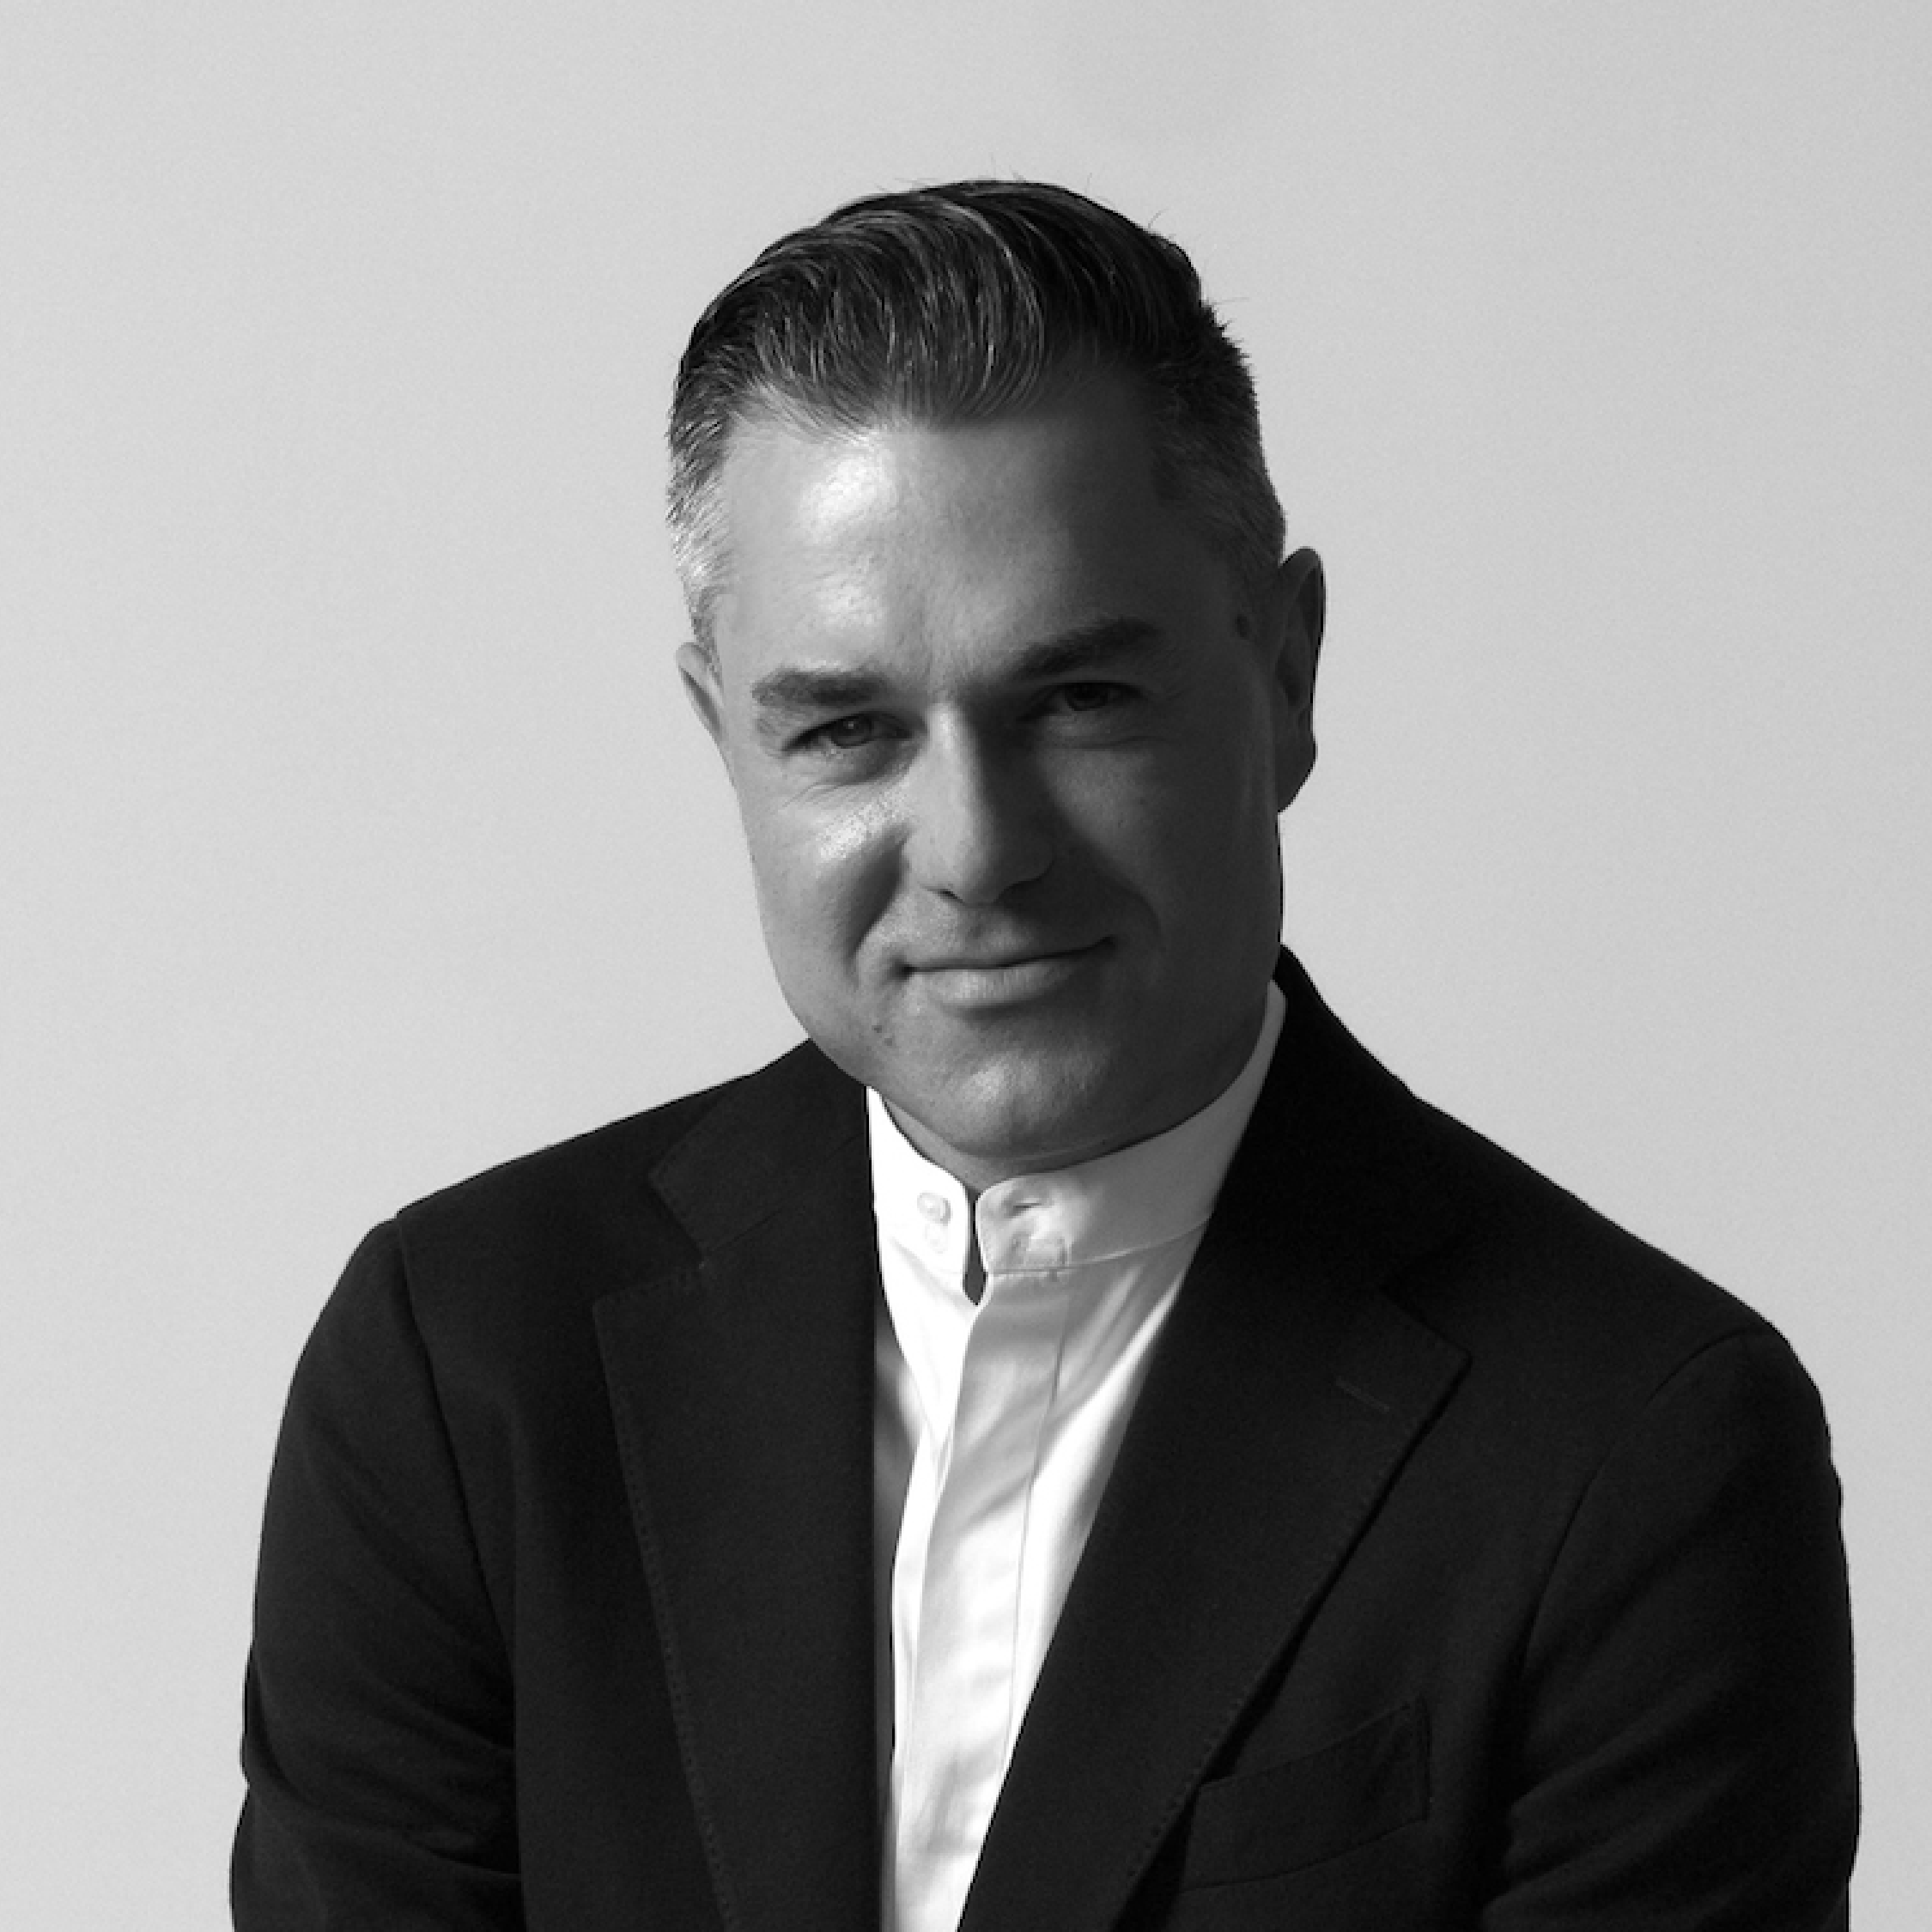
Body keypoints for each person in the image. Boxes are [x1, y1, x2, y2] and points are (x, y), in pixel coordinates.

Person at [233, 180, 1856, 1931]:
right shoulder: (461, 1370)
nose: (976, 850)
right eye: (847, 730)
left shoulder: (1638, 1450)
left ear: (1286, 675)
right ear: (725, 736)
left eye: (1078, 700)